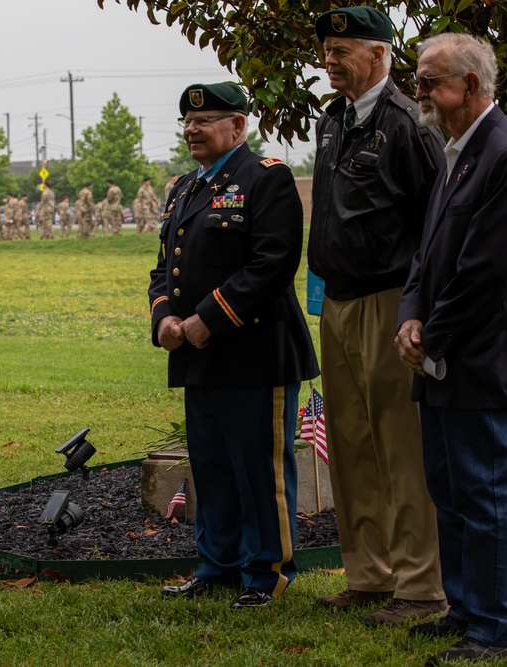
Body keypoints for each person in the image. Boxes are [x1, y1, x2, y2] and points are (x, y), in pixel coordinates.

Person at [395, 33, 507, 664]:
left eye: (430, 82)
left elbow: (485, 274)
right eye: (418, 80)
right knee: (449, 488)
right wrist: (410, 316)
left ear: (470, 85)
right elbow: (428, 253)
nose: (420, 93)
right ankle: (466, 610)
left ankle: (498, 632)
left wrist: (428, 335)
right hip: (443, 357)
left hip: (485, 361)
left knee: (487, 493)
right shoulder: (458, 151)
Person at [149, 82, 319, 609]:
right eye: (187, 123)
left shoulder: (265, 179)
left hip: (254, 352)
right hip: (197, 354)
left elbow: (272, 265)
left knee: (257, 469)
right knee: (212, 467)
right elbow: (164, 270)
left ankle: (267, 574)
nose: (192, 130)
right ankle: (216, 567)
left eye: (205, 121)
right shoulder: (183, 189)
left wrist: (206, 320)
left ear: (238, 127)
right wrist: (165, 320)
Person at [307, 6, 447, 626]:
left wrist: (418, 313)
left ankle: (419, 588)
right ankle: (368, 575)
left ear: (380, 55)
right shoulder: (332, 120)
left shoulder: (409, 124)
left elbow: (435, 226)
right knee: (351, 442)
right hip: (335, 301)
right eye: (328, 51)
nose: (330, 62)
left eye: (342, 50)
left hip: (391, 301)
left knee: (400, 445)